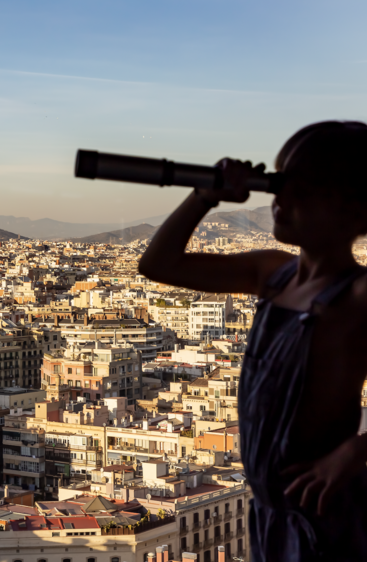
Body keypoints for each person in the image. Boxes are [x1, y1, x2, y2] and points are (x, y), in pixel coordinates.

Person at [138, 121, 367, 561]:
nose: (281, 200)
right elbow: (158, 264)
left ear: (356, 211)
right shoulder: (272, 273)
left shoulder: (357, 294)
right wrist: (206, 193)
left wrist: (356, 450)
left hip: (325, 516)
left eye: (306, 189)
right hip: (268, 514)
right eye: (280, 183)